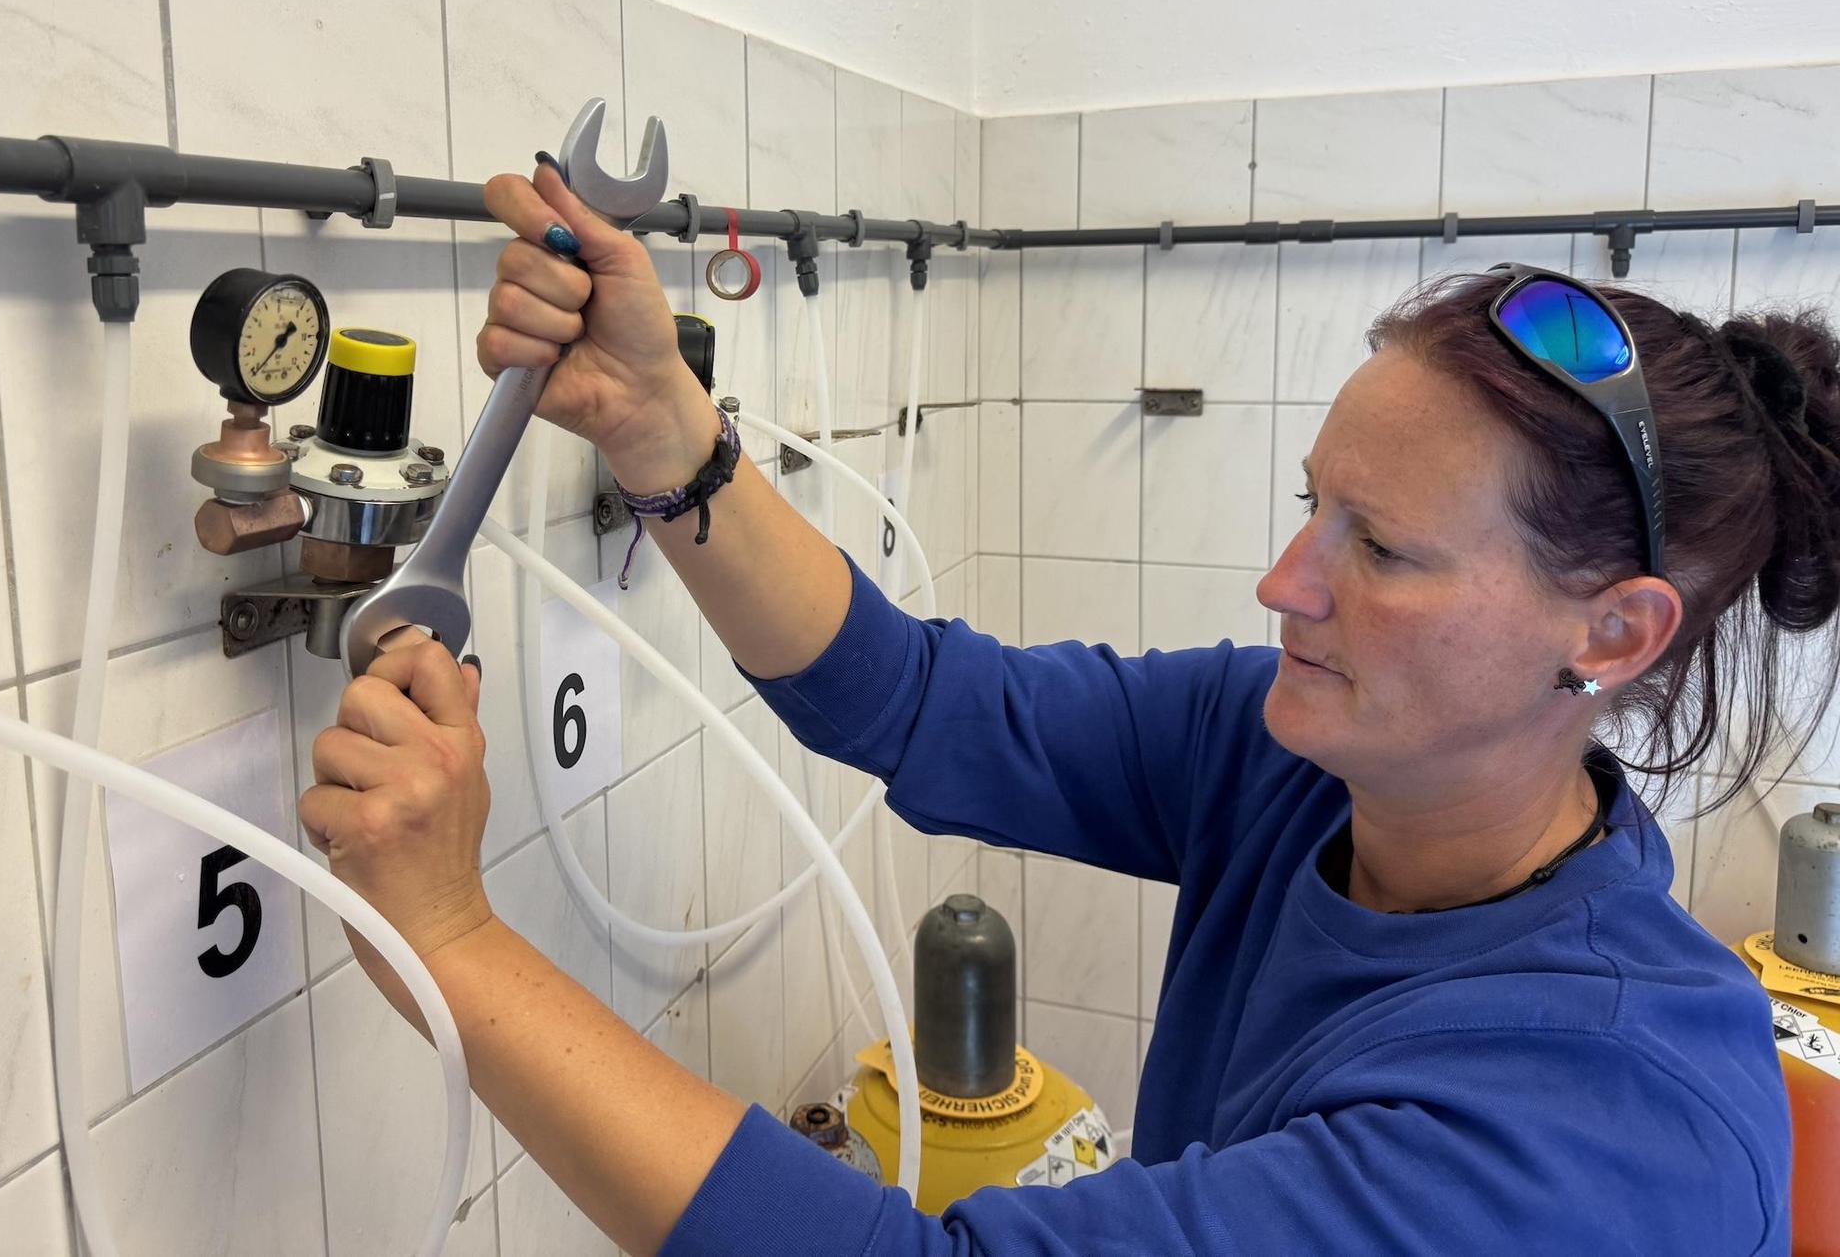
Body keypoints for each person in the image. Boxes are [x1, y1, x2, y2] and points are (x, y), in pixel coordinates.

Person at [298, 160, 1840, 1255]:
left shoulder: (1595, 1127)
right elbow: (917, 701)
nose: (1284, 584)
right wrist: (660, 427)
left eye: (1381, 549)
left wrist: (453, 942)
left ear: (1614, 631)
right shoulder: (1301, 765)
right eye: (1312, 506)